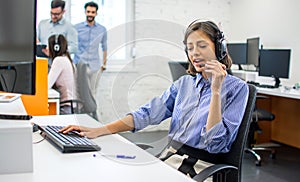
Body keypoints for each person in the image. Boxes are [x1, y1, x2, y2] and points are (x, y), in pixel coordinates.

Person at [60, 20, 249, 177]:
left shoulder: (237, 89)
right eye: (190, 48)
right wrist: (99, 130)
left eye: (202, 46)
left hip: (203, 169)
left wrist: (216, 90)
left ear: (220, 49)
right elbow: (146, 114)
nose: (195, 53)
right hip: (171, 158)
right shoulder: (183, 85)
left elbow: (216, 144)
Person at [73, 1, 107, 93]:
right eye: (88, 12)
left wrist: (104, 64)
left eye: (92, 12)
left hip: (95, 66)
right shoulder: (76, 28)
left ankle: (92, 108)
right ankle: (79, 108)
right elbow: (72, 45)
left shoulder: (102, 29)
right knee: (79, 91)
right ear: (85, 12)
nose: (90, 14)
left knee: (92, 92)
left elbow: (104, 47)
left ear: (96, 13)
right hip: (80, 64)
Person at [48, 34, 77, 114]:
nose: (47, 49)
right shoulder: (67, 59)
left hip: (64, 107)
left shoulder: (59, 60)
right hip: (70, 107)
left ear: (56, 47)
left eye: (48, 46)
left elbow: (47, 85)